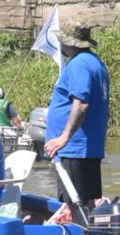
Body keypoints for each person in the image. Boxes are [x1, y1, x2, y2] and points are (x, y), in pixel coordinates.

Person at [44, 21, 111, 210]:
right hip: (87, 147)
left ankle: (81, 230)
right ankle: (86, 228)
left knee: (75, 205)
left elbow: (81, 104)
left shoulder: (79, 65)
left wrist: (63, 138)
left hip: (74, 149)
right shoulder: (95, 62)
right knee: (86, 203)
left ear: (69, 42)